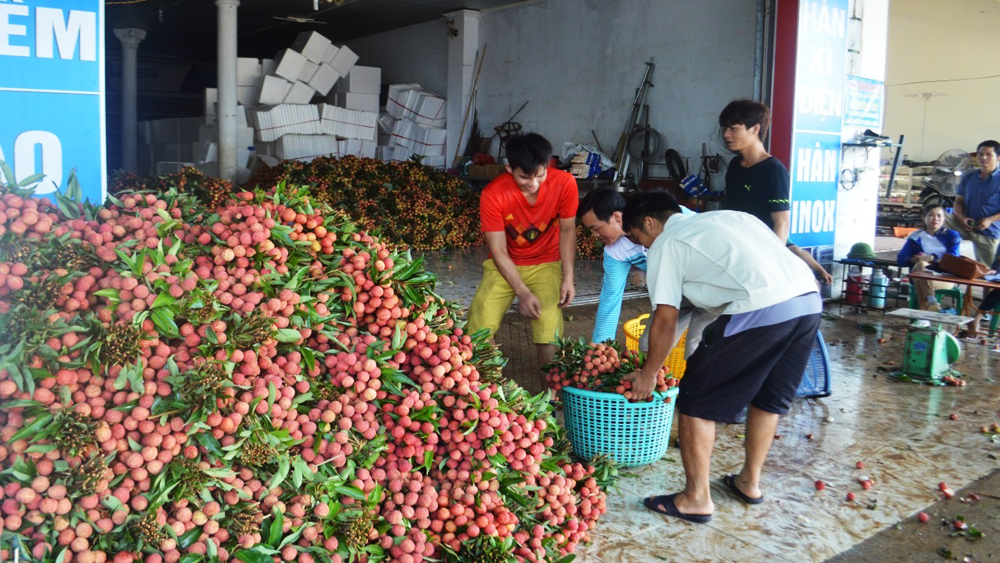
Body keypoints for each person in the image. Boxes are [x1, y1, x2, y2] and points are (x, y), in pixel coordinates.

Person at [621, 191, 821, 524]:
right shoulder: (731, 217)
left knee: (696, 400)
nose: (643, 247)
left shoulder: (667, 244)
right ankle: (749, 482)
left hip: (760, 308)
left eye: (638, 237)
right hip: (808, 300)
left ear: (650, 222)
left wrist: (648, 373)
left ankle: (696, 498)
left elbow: (666, 319)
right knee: (768, 397)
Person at [466, 133, 577, 367]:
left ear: (548, 166)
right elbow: (498, 250)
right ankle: (490, 393)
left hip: (547, 262)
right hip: (505, 264)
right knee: (479, 326)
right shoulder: (493, 194)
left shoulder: (565, 183)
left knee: (549, 328)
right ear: (509, 168)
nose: (534, 184)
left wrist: (568, 277)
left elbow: (567, 231)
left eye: (540, 175)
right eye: (525, 177)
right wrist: (522, 292)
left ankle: (552, 399)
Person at [577, 188, 700, 350]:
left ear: (616, 217)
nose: (594, 236)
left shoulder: (669, 218)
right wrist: (601, 347)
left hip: (709, 285)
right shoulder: (615, 251)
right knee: (648, 345)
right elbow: (611, 297)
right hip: (677, 294)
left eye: (596, 228)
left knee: (697, 346)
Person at [719, 99, 791, 244]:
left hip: (760, 248)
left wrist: (772, 257)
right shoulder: (735, 165)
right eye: (724, 129)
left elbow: (781, 223)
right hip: (736, 245)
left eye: (733, 129)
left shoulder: (774, 170)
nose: (726, 134)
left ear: (755, 129)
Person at [896, 202, 961, 311]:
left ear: (944, 218)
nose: (935, 218)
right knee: (920, 265)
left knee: (920, 276)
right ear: (924, 218)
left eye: (939, 215)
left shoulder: (951, 235)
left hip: (944, 278)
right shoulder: (916, 236)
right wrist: (912, 260)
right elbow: (900, 259)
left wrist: (932, 259)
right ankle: (931, 303)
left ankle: (924, 316)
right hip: (919, 275)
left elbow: (954, 259)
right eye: (931, 215)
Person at [947, 140, 1000, 265]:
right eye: (980, 154)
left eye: (988, 154)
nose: (983, 158)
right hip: (965, 225)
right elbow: (958, 202)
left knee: (988, 273)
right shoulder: (968, 177)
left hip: (988, 232)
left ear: (998, 157)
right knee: (937, 217)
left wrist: (990, 220)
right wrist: (960, 217)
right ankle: (934, 259)